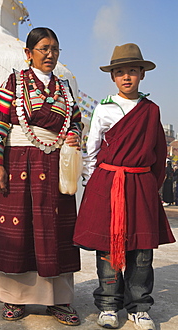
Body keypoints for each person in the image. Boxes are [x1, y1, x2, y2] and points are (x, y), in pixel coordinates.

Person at [0, 27, 83, 326]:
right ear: (28, 54)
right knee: (19, 231)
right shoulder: (14, 83)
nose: (50, 54)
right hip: (19, 165)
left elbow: (75, 122)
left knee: (56, 231)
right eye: (44, 49)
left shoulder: (65, 89)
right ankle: (15, 298)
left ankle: (58, 300)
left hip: (55, 168)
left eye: (55, 48)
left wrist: (74, 136)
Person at [73, 43, 175, 330]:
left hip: (141, 182)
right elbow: (91, 150)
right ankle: (108, 305)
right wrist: (94, 185)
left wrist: (149, 186)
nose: (126, 77)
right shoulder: (103, 109)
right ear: (112, 77)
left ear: (142, 74)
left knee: (142, 250)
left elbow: (158, 153)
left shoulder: (151, 110)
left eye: (132, 71)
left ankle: (139, 307)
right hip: (107, 183)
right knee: (107, 247)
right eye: (120, 72)